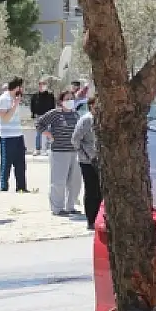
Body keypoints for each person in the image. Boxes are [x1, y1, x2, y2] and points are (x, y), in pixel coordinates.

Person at [36, 89, 82, 215]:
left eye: (71, 98)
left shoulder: (76, 115)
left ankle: (70, 206)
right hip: (59, 151)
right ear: (61, 101)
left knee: (75, 181)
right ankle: (57, 208)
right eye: (67, 99)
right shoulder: (55, 114)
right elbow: (39, 123)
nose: (70, 101)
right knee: (58, 181)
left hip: (74, 152)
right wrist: (48, 134)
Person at [72, 93, 101, 229]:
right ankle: (90, 220)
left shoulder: (102, 119)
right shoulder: (86, 120)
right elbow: (75, 140)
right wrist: (85, 154)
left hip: (101, 160)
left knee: (101, 190)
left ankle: (99, 218)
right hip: (87, 161)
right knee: (91, 190)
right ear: (91, 106)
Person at [0, 77, 30, 192]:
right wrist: (14, 105)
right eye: (21, 87)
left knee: (20, 163)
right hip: (7, 137)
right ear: (16, 87)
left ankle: (21, 187)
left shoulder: (15, 99)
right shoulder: (3, 99)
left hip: (18, 135)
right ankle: (3, 186)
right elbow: (5, 118)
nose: (22, 89)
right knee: (6, 163)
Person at [30, 78, 56, 155]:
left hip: (48, 116)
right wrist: (33, 114)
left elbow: (53, 105)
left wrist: (53, 115)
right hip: (39, 116)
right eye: (40, 85)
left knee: (48, 132)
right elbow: (32, 105)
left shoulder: (50, 95)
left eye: (44, 84)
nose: (42, 86)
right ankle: (38, 149)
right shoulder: (35, 95)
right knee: (38, 133)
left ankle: (47, 149)